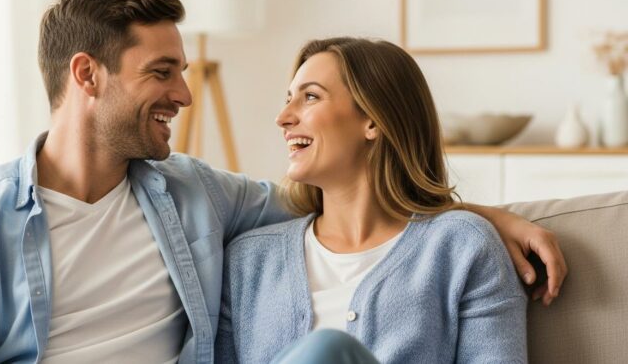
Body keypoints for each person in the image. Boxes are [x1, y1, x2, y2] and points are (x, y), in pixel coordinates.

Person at [0, 0, 563, 364]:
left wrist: (483, 216)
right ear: (87, 75)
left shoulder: (195, 195)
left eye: (182, 72)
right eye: (162, 72)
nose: (185, 95)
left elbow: (353, 201)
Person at [215, 38, 529, 363]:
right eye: (288, 99)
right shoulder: (248, 261)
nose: (283, 117)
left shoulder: (461, 247)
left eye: (310, 97)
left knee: (328, 348)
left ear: (373, 121)